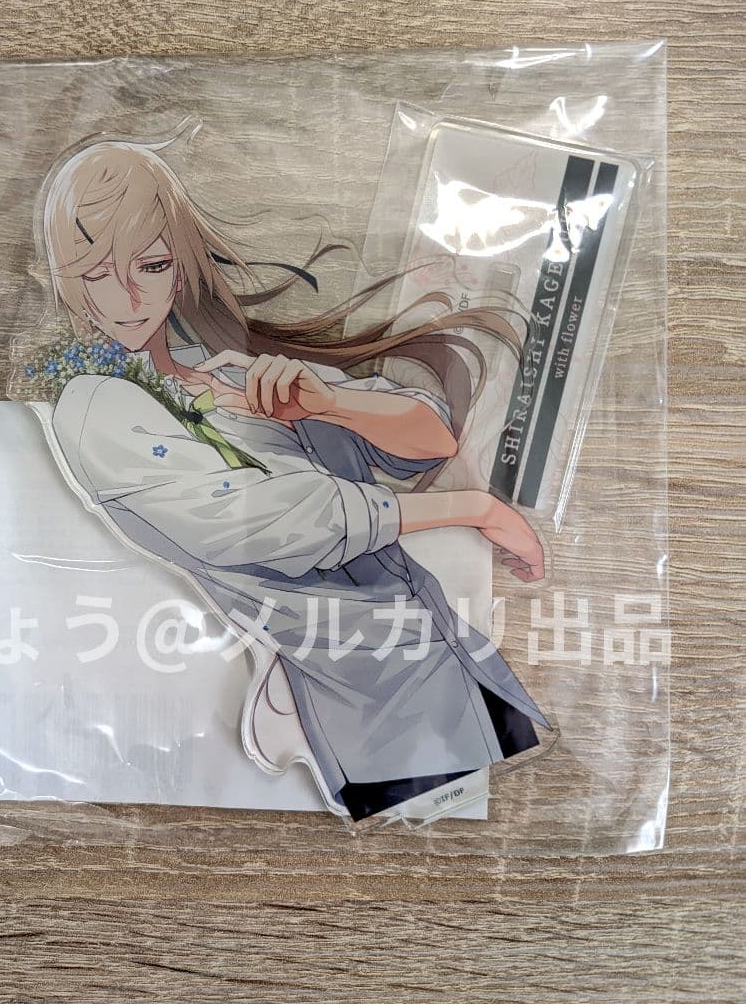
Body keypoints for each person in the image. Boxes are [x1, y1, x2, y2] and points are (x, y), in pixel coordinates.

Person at [34, 138, 549, 823]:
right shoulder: (94, 406)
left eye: (151, 266)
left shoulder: (227, 372)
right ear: (70, 283)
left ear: (179, 271)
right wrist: (474, 509)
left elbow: (430, 441)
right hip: (370, 698)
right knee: (452, 866)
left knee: (522, 831)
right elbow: (267, 521)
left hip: (452, 658)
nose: (128, 297)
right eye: (98, 275)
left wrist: (330, 404)